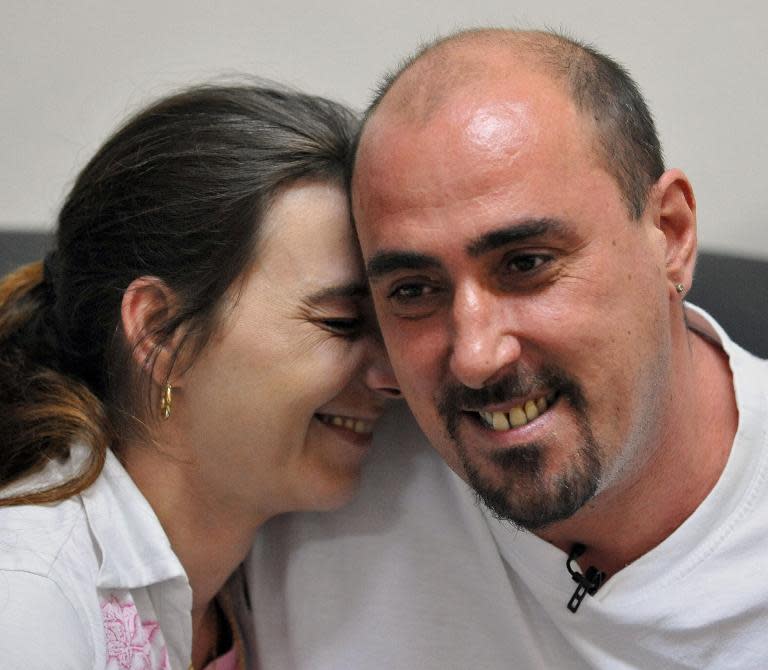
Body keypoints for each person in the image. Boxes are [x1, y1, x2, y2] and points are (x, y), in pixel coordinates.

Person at [246, 29, 768, 668]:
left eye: (526, 263)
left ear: (671, 234)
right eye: (413, 290)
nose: (475, 355)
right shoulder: (313, 482)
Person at [0, 82, 398, 669]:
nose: (392, 376)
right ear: (163, 333)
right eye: (341, 322)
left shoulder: (250, 580)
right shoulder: (28, 596)